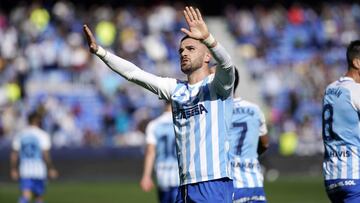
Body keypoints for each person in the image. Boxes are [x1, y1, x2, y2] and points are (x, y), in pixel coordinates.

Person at [83, 6, 235, 202]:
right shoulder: (175, 89)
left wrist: (209, 40)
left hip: (215, 182)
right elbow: (134, 74)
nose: (184, 53)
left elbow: (227, 65)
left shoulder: (217, 87)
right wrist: (101, 52)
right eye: (181, 50)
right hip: (185, 185)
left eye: (190, 48)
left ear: (207, 56)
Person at [322, 40, 360, 203]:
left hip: (332, 177)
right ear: (357, 62)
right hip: (355, 176)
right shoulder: (356, 91)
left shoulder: (329, 89)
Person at [229, 69, 269, 203]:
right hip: (254, 183)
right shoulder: (254, 109)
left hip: (230, 188)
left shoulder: (215, 113)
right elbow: (265, 144)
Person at [10, 112, 58, 203]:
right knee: (38, 197)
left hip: (25, 168)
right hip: (39, 170)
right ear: (38, 121)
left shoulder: (20, 134)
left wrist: (13, 169)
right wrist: (51, 168)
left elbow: (14, 153)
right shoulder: (42, 134)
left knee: (25, 195)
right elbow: (45, 154)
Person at [140, 102, 179, 203]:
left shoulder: (154, 125)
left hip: (162, 174)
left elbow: (150, 152)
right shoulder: (182, 120)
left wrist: (146, 176)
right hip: (181, 175)